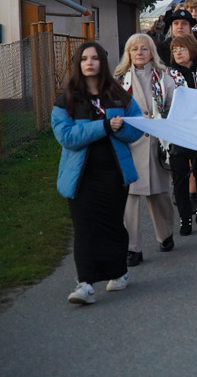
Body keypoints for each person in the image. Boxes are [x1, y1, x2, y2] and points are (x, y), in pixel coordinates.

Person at [52, 41, 143, 305]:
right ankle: (85, 284)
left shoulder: (119, 96)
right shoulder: (67, 100)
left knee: (113, 224)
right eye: (84, 59)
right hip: (81, 177)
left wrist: (120, 128)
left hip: (114, 174)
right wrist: (104, 127)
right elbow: (67, 137)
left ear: (103, 63)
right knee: (85, 228)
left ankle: (119, 272)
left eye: (94, 58)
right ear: (78, 65)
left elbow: (135, 129)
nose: (89, 62)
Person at [113, 34, 177, 267]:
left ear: (152, 52)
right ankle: (132, 248)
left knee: (159, 193)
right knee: (130, 197)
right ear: (128, 54)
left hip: (156, 143)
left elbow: (172, 104)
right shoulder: (119, 80)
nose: (139, 53)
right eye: (134, 49)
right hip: (129, 144)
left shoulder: (163, 77)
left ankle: (165, 233)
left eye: (144, 49)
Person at [167, 35, 197, 236]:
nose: (177, 52)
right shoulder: (167, 74)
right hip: (179, 129)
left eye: (182, 49)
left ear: (192, 50)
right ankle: (184, 219)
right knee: (179, 176)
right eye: (175, 49)